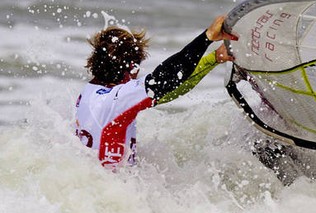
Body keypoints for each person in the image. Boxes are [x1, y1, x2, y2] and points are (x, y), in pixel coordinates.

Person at [75, 15, 238, 167]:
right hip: (112, 188)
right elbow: (169, 77)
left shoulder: (88, 93)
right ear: (132, 68)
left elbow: (170, 90)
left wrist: (214, 58)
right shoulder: (120, 99)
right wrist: (207, 37)